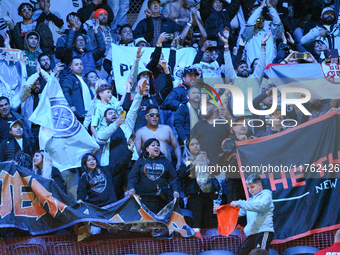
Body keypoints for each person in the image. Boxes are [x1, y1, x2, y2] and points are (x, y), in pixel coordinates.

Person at [126, 138, 180, 214]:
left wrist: (175, 190)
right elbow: (133, 177)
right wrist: (131, 188)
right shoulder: (141, 161)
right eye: (153, 145)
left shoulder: (165, 161)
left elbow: (173, 178)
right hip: (144, 198)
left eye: (158, 145)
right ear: (147, 149)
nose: (156, 147)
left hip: (162, 199)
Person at [179, 137, 219, 228]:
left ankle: (208, 241)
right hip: (194, 196)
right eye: (192, 144)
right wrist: (193, 164)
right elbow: (181, 175)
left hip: (208, 195)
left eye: (197, 143)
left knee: (208, 222)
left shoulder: (205, 158)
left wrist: (207, 161)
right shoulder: (186, 160)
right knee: (196, 222)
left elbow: (217, 171)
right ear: (187, 147)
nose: (195, 146)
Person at [230, 174, 274, 254]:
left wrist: (239, 203)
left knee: (260, 253)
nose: (250, 190)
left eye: (252, 187)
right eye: (248, 188)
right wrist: (221, 211)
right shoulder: (250, 200)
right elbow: (238, 213)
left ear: (260, 185)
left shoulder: (266, 195)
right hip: (251, 234)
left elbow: (260, 206)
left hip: (263, 231)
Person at [135, 105, 182, 170]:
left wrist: (179, 162)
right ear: (146, 116)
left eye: (157, 115)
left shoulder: (167, 129)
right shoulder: (140, 132)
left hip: (167, 167)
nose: (155, 117)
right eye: (152, 115)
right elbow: (137, 153)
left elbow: (176, 147)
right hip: (149, 168)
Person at [61, 57, 94, 123]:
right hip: (79, 114)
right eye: (76, 65)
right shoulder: (69, 78)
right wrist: (70, 105)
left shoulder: (85, 79)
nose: (79, 66)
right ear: (71, 67)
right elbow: (65, 92)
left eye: (81, 64)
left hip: (90, 113)